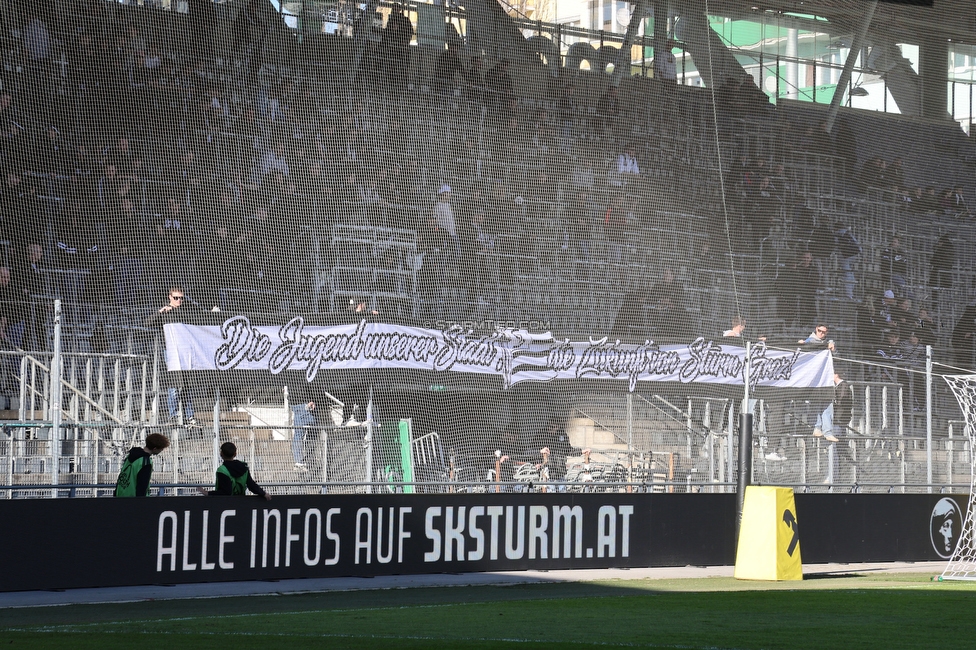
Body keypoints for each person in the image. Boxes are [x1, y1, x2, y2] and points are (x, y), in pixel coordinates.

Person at [146, 287, 196, 425]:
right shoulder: (165, 312)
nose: (179, 300)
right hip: (171, 350)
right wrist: (160, 311)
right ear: (170, 297)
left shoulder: (186, 312)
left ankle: (189, 415)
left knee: (187, 383)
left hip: (185, 350)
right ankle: (173, 415)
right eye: (176, 298)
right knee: (174, 383)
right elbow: (147, 323)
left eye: (181, 298)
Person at [198, 442, 271, 500]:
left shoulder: (222, 470)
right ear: (235, 454)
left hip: (224, 504)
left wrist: (207, 493)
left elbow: (226, 492)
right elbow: (251, 485)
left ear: (221, 454)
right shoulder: (244, 467)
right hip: (240, 502)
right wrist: (263, 493)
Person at [114, 433, 170, 497]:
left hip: (120, 495)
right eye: (161, 449)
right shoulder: (146, 462)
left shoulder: (130, 455)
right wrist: (142, 502)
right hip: (133, 499)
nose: (161, 451)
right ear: (155, 449)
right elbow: (142, 485)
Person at [292, 399, 316, 472]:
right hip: (301, 404)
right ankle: (299, 462)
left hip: (302, 405)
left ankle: (301, 461)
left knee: (301, 434)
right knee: (299, 435)